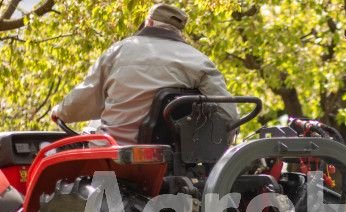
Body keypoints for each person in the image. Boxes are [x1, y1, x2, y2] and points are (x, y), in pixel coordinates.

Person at [51, 4, 238, 144]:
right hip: (173, 158)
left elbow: (85, 97)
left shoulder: (118, 51)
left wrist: (61, 112)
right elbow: (228, 116)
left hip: (115, 151)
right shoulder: (200, 60)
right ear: (179, 30)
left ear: (148, 22)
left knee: (90, 129)